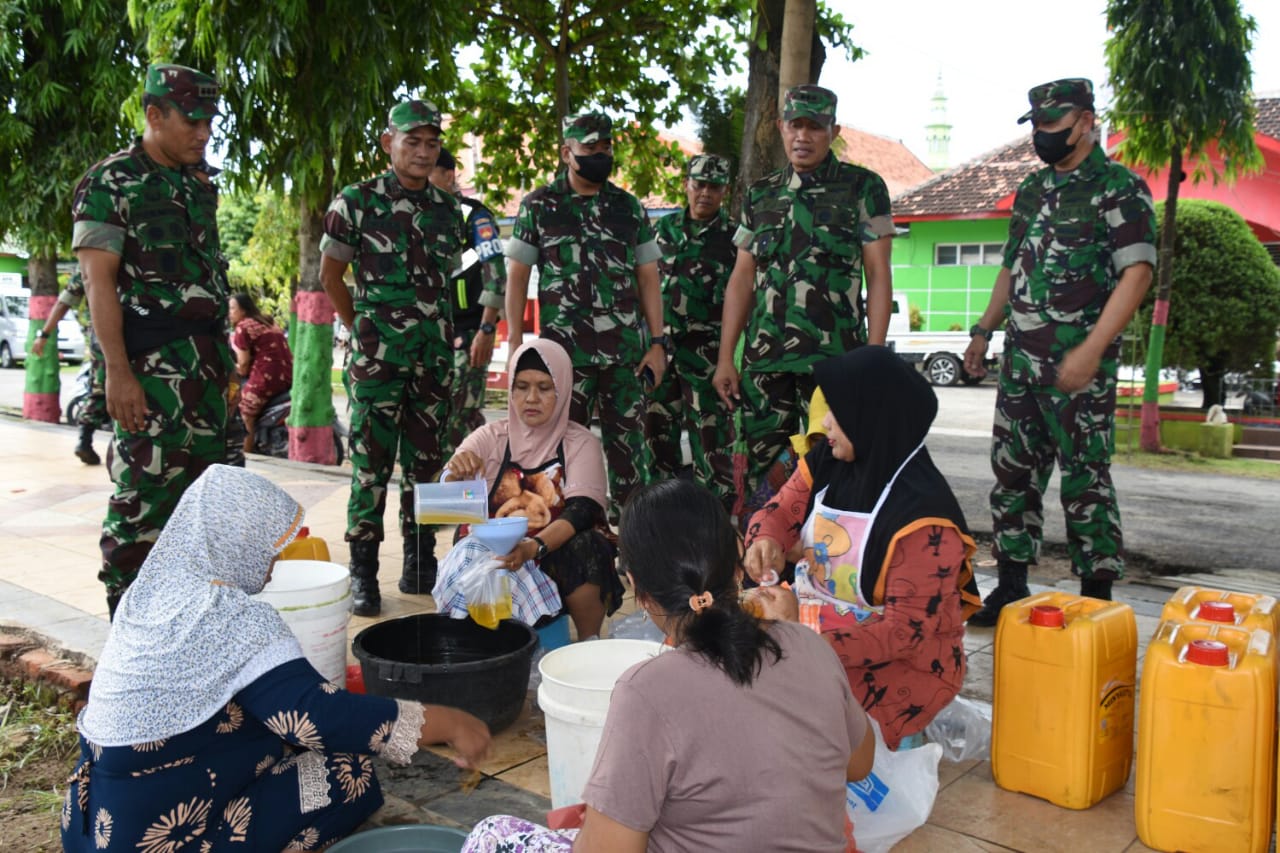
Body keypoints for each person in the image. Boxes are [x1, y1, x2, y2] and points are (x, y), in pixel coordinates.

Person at [61, 464, 491, 852]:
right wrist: (450, 723)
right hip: (165, 835)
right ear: (236, 540)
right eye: (268, 544)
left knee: (268, 731)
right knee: (347, 771)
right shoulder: (227, 614)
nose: (274, 560)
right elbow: (319, 716)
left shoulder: (149, 592)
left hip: (96, 825)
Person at [462, 478, 873, 852]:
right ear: (736, 564)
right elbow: (858, 763)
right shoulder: (808, 644)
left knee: (491, 833)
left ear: (637, 589)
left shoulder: (648, 690)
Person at [963, 78, 1156, 625]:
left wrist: (1092, 350)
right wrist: (983, 331)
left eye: (1053, 123)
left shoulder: (1119, 188)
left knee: (1085, 480)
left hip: (1079, 367)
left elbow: (1137, 274)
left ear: (1087, 121)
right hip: (1021, 362)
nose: (1042, 134)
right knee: (1011, 475)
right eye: (1037, 125)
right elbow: (1011, 267)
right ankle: (1011, 586)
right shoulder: (1032, 189)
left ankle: (1096, 595)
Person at [743, 346, 983, 750]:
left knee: (803, 719)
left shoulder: (925, 520)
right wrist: (765, 539)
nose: (825, 422)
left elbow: (904, 634)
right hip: (817, 628)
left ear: (870, 418)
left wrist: (805, 644)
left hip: (900, 664)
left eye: (837, 412)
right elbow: (779, 511)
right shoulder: (828, 459)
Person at [72, 63, 231, 617]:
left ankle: (189, 626)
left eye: (209, 122)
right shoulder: (111, 181)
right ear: (155, 115)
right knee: (142, 505)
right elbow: (97, 283)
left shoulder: (198, 183)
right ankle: (127, 630)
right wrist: (117, 373)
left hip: (207, 366)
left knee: (207, 504)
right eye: (192, 121)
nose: (203, 133)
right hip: (151, 371)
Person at [713, 84, 895, 506]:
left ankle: (830, 542)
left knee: (838, 463)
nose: (803, 136)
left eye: (815, 127)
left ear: (834, 131)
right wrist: (726, 357)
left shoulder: (863, 187)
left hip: (836, 361)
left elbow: (878, 274)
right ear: (781, 127)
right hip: (765, 361)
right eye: (795, 125)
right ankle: (762, 541)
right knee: (763, 471)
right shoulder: (760, 193)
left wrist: (873, 356)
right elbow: (741, 278)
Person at [320, 99, 466, 615]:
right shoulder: (356, 201)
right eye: (413, 142)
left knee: (427, 465)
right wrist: (362, 330)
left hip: (433, 361)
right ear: (389, 143)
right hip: (377, 363)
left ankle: (421, 562)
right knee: (371, 466)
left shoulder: (448, 209)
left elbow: (451, 283)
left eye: (432, 143)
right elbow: (330, 276)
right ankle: (363, 573)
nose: (424, 152)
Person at [502, 111, 667, 523]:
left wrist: (657, 343)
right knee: (558, 456)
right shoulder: (539, 206)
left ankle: (634, 541)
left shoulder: (628, 208)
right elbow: (517, 278)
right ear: (566, 152)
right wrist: (515, 344)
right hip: (563, 360)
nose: (600, 154)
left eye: (606, 147)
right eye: (590, 147)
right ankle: (564, 540)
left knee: (630, 457)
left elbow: (648, 277)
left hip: (624, 358)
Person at [434, 339, 623, 641]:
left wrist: (532, 548)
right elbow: (447, 504)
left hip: (554, 555)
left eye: (544, 388)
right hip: (496, 554)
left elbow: (583, 510)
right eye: (521, 387)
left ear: (563, 390)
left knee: (589, 546)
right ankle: (486, 639)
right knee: (468, 548)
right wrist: (453, 475)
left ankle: (589, 640)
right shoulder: (489, 437)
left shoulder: (580, 443)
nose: (531, 398)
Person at [644, 154, 737, 512]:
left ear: (725, 191)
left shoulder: (734, 238)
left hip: (708, 356)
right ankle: (659, 517)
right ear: (686, 184)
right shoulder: (662, 230)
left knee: (711, 445)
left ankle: (714, 519)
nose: (705, 193)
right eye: (699, 185)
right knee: (655, 437)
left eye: (714, 187)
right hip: (660, 352)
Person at [427, 147, 507, 452]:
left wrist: (486, 329)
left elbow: (496, 274)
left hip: (467, 334)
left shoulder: (474, 216)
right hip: (428, 334)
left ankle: (468, 477)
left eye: (430, 171)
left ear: (448, 176)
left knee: (461, 419)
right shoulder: (418, 214)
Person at [32, 268, 108, 465]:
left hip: (102, 336)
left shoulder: (90, 264)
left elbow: (64, 302)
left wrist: (44, 335)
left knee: (99, 389)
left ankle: (85, 440)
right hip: (132, 335)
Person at [228, 292, 293, 454]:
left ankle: (247, 455)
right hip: (288, 374)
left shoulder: (243, 327)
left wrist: (230, 368)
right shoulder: (268, 321)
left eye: (232, 308)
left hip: (267, 377)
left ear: (243, 310)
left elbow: (243, 365)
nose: (229, 313)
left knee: (245, 413)